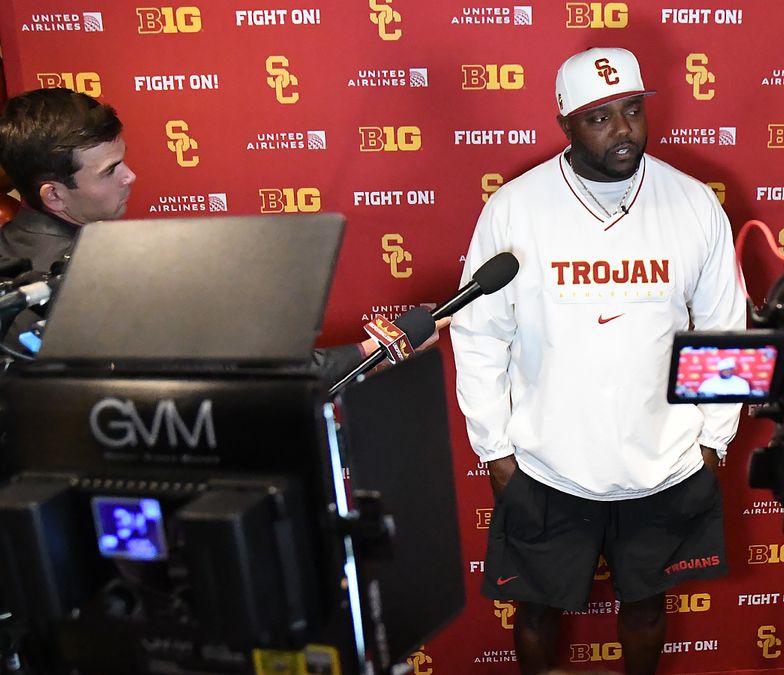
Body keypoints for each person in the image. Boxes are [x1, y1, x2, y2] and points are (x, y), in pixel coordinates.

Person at [450, 47, 745, 675]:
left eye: (632, 111)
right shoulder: (515, 209)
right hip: (547, 461)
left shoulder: (693, 204)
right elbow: (478, 336)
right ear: (565, 124)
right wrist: (495, 451)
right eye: (600, 118)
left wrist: (714, 438)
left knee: (645, 607)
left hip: (664, 458)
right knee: (534, 612)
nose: (623, 130)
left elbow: (724, 328)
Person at [0, 88, 439, 384]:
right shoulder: (102, 276)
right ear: (54, 195)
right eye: (110, 170)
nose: (131, 176)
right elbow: (248, 380)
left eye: (122, 160)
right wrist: (381, 348)